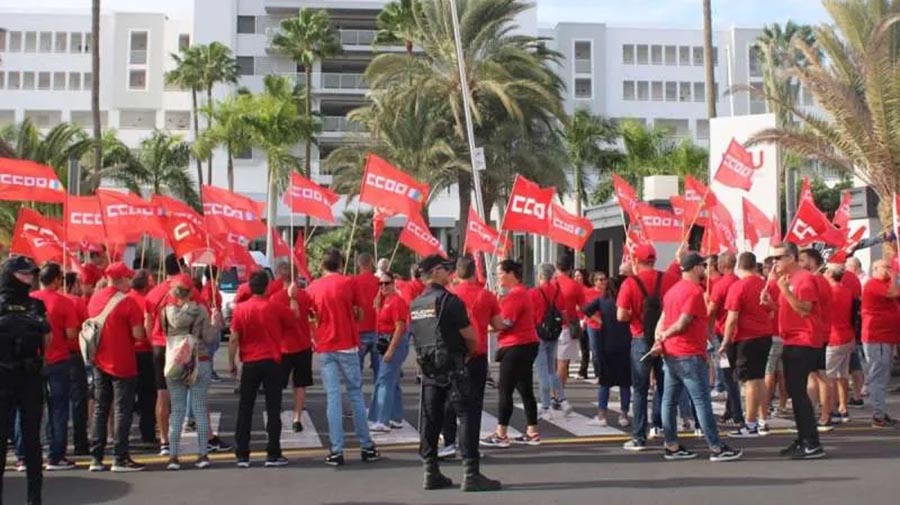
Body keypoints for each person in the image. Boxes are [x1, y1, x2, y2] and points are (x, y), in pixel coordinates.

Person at [413, 254, 500, 492]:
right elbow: (471, 336)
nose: (449, 273)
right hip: (454, 365)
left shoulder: (417, 304)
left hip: (429, 368)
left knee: (431, 418)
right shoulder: (449, 301)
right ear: (437, 272)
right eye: (445, 269)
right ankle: (471, 473)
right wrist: (469, 353)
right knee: (467, 415)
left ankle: (430, 471)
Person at [652, 252, 743, 462]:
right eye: (702, 265)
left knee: (669, 400)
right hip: (689, 353)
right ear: (694, 268)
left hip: (672, 353)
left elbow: (663, 319)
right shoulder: (694, 292)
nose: (705, 268)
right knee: (701, 401)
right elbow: (683, 322)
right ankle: (716, 447)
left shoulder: (672, 291)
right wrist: (665, 335)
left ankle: (672, 445)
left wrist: (660, 338)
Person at [306, 248, 380, 467]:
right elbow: (360, 313)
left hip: (326, 345)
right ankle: (366, 446)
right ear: (341, 264)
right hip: (347, 343)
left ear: (322, 265)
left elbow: (311, 316)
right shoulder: (349, 283)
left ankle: (336, 450)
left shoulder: (313, 287)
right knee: (355, 394)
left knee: (333, 396)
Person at [762, 243, 826, 459]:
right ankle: (804, 439)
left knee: (798, 393)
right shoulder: (790, 280)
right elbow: (790, 309)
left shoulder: (803, 278)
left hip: (804, 340)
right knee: (794, 392)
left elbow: (805, 308)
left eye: (778, 258)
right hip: (793, 339)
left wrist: (784, 290)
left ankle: (811, 443)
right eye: (773, 258)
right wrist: (772, 304)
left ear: (791, 258)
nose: (774, 262)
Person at [617, 244, 682, 451]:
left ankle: (638, 436)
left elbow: (621, 315)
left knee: (640, 389)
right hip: (665, 338)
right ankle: (662, 428)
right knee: (665, 388)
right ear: (654, 260)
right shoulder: (670, 279)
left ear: (636, 261)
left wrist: (634, 316)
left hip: (640, 338)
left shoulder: (630, 283)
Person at [0, 257, 51, 505]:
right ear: (11, 275)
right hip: (3, 375)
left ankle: (35, 499)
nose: (29, 278)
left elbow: (47, 341)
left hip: (30, 376)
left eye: (31, 274)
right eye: (24, 274)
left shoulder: (36, 305)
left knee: (32, 441)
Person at [440, 255, 502, 460]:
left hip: (452, 355)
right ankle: (470, 448)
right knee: (473, 406)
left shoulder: (447, 294)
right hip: (477, 355)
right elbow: (499, 324)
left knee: (449, 401)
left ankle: (448, 443)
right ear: (475, 272)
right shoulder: (487, 296)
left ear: (456, 273)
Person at [228, 270, 292, 468]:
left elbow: (233, 338)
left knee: (245, 407)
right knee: (273, 408)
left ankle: (242, 454)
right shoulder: (275, 307)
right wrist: (293, 297)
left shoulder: (240, 309)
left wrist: (231, 362)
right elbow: (293, 320)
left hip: (249, 361)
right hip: (272, 360)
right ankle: (273, 452)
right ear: (267, 286)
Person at [87, 262, 147, 472]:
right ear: (121, 278)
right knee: (122, 409)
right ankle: (120, 457)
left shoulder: (95, 298)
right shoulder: (127, 302)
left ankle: (96, 457)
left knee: (101, 408)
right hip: (122, 361)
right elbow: (139, 334)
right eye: (128, 277)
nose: (130, 281)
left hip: (99, 360)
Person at [162, 274, 220, 470]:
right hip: (199, 361)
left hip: (175, 363)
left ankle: (173, 456)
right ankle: (203, 454)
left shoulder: (166, 312)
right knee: (199, 409)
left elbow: (161, 334)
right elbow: (210, 338)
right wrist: (216, 322)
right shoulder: (200, 310)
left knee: (177, 411)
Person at [482, 260, 541, 448]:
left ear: (510, 274)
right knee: (524, 388)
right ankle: (532, 431)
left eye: (499, 273)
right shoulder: (520, 293)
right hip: (526, 343)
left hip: (516, 345)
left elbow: (505, 323)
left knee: (505, 389)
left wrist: (483, 326)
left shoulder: (516, 295)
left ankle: (501, 433)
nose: (497, 277)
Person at [29, 263, 79, 471]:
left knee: (29, 409)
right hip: (58, 360)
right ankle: (56, 456)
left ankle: (24, 456)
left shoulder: (29, 300)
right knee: (58, 409)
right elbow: (71, 334)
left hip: (33, 360)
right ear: (57, 279)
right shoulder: (64, 302)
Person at [720, 252, 773, 437]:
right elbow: (772, 310)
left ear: (739, 266)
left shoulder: (738, 287)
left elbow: (732, 318)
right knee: (759, 379)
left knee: (750, 381)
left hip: (747, 338)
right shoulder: (763, 284)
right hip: (765, 335)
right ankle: (762, 420)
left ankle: (750, 424)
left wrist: (726, 340)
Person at [583, 271, 632, 427]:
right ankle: (624, 414)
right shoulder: (624, 302)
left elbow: (586, 309)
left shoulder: (602, 300)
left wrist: (600, 320)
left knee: (604, 382)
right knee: (625, 383)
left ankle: (602, 415)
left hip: (607, 343)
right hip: (625, 343)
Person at [269, 272, 314, 433]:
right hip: (303, 344)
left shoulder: (274, 298)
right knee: (300, 385)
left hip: (283, 347)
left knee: (277, 385)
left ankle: (276, 416)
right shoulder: (305, 295)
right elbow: (312, 314)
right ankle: (297, 418)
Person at [367, 272, 410, 432]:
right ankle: (395, 416)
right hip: (386, 341)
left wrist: (391, 350)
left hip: (393, 342)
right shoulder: (386, 301)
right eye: (381, 284)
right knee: (393, 381)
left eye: (387, 283)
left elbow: (400, 327)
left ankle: (382, 419)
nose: (383, 286)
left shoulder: (397, 302)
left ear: (394, 284)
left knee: (384, 381)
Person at [860, 259, 899, 428]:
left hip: (886, 336)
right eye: (886, 267)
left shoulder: (882, 284)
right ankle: (878, 415)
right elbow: (893, 293)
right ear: (875, 269)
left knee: (882, 376)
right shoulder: (873, 283)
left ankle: (881, 412)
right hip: (878, 336)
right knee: (878, 377)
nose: (889, 270)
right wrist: (894, 276)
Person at [799, 248, 834, 431]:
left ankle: (826, 415)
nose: (800, 263)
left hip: (818, 333)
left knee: (820, 375)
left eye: (803, 260)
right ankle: (813, 414)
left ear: (812, 262)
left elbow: (807, 307)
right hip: (815, 333)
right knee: (813, 375)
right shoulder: (818, 280)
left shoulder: (817, 280)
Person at [529, 263, 570, 418]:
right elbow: (564, 312)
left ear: (540, 275)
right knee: (551, 369)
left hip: (538, 333)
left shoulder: (534, 292)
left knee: (542, 372)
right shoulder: (558, 291)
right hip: (554, 332)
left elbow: (530, 315)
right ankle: (562, 398)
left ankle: (545, 405)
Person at [708, 252, 743, 426]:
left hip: (723, 335)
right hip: (739, 334)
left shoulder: (720, 285)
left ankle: (737, 414)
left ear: (721, 266)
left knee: (728, 375)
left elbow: (711, 311)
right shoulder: (738, 282)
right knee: (731, 374)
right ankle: (731, 410)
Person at [127, 271, 157, 446]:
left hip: (129, 352)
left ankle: (124, 433)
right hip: (145, 351)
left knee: (128, 395)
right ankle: (147, 434)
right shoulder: (148, 302)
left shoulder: (125, 300)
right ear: (145, 285)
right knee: (148, 396)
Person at [62, 272, 91, 455]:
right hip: (73, 354)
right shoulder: (77, 302)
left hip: (50, 357)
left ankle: (56, 444)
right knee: (79, 401)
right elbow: (86, 325)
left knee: (56, 404)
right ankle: (80, 443)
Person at [824, 264, 854, 424]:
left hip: (833, 337)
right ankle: (843, 407)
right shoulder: (846, 290)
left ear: (829, 274)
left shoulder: (830, 292)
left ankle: (831, 409)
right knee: (842, 375)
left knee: (828, 376)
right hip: (846, 335)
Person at [554, 256, 585, 392]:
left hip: (549, 326)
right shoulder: (575, 285)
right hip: (567, 326)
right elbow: (583, 306)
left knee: (553, 362)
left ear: (556, 267)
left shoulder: (550, 284)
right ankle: (558, 394)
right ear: (570, 269)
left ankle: (552, 393)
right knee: (563, 362)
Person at [354, 253, 381, 383]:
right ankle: (379, 402)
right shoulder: (379, 282)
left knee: (356, 372)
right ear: (371, 264)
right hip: (377, 328)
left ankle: (357, 402)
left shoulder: (353, 282)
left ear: (359, 265)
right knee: (379, 372)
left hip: (359, 330)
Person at [573, 267, 592, 379]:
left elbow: (588, 307)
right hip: (573, 320)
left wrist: (584, 319)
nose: (576, 278)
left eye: (579, 275)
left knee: (584, 347)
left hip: (583, 320)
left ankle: (583, 370)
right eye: (575, 276)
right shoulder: (572, 289)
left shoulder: (586, 290)